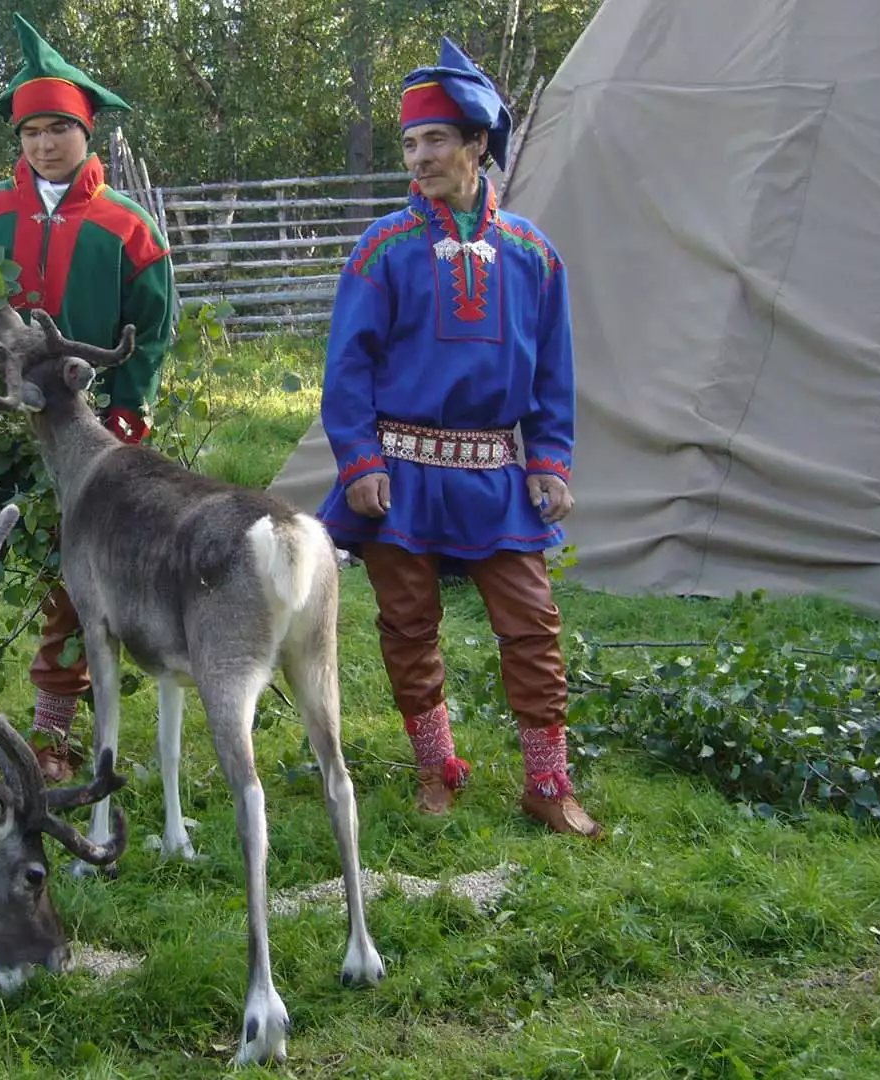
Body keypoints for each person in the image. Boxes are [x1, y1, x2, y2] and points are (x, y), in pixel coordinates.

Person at [314, 37, 600, 836]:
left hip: (494, 474)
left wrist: (548, 461)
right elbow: (348, 369)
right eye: (410, 142)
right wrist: (360, 460)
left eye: (436, 139)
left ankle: (548, 782)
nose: (420, 157)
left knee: (532, 624)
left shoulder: (533, 255)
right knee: (408, 626)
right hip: (399, 474)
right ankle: (437, 766)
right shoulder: (383, 249)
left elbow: (553, 377)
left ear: (479, 144)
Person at [0, 13, 176, 783]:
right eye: (30, 133)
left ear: (87, 133)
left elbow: (149, 335)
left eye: (58, 129)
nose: (45, 145)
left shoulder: (129, 229)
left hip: (81, 434)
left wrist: (125, 416)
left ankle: (52, 735)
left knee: (72, 580)